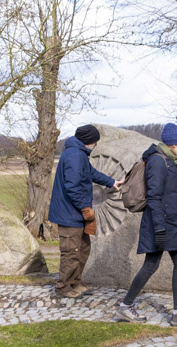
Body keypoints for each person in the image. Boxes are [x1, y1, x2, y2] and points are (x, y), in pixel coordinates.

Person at [113, 123, 177, 326]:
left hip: (169, 224)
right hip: (161, 224)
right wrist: (160, 229)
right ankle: (126, 307)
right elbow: (154, 197)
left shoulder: (168, 160)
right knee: (151, 265)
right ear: (172, 144)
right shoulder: (158, 162)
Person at [48, 124, 121, 298]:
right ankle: (63, 288)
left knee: (82, 249)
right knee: (71, 252)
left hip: (75, 215)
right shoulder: (74, 155)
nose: (96, 145)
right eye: (95, 141)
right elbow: (72, 187)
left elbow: (91, 173)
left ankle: (75, 282)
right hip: (69, 215)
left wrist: (111, 182)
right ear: (88, 141)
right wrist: (84, 208)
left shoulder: (79, 154)